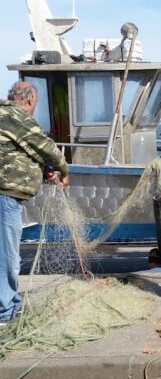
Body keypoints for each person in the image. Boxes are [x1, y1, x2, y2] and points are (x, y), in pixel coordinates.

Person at [0, 81, 69, 324]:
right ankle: (4, 313)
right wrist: (62, 168)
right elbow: (45, 147)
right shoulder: (17, 116)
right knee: (7, 255)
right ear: (29, 101)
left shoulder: (4, 115)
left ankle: (11, 304)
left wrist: (44, 170)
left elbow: (21, 150)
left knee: (7, 253)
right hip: (5, 197)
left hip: (7, 196)